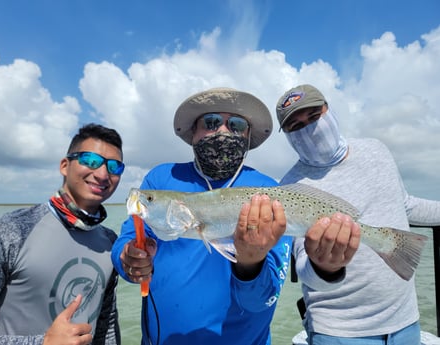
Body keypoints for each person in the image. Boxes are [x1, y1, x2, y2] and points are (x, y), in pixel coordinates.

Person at [111, 87, 359, 345]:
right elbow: (129, 240)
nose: (223, 130)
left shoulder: (270, 192)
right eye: (211, 122)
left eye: (236, 124)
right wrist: (127, 259)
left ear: (247, 135)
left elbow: (262, 299)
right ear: (193, 132)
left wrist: (251, 263)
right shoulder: (161, 179)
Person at [276, 84, 440, 345]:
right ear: (286, 135)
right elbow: (303, 267)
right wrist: (323, 267)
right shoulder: (289, 187)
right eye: (295, 126)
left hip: (407, 321)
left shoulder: (377, 150)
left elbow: (405, 204)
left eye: (314, 116)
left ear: (329, 111)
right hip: (340, 332)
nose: (308, 128)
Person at [0, 123, 123, 345]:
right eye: (90, 161)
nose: (103, 174)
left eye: (115, 167)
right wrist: (43, 343)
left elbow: (106, 324)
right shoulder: (8, 230)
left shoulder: (111, 242)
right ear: (65, 165)